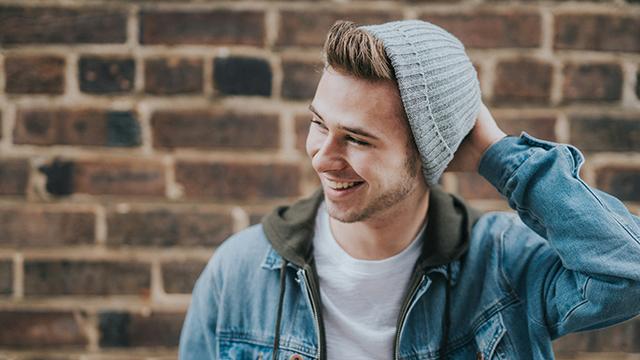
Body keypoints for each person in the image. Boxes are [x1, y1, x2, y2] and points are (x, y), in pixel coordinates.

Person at [179, 19, 640, 360]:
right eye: (319, 124)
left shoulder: (503, 266)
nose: (321, 156)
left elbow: (628, 272)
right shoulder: (239, 273)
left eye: (357, 139)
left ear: (425, 155)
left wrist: (495, 153)